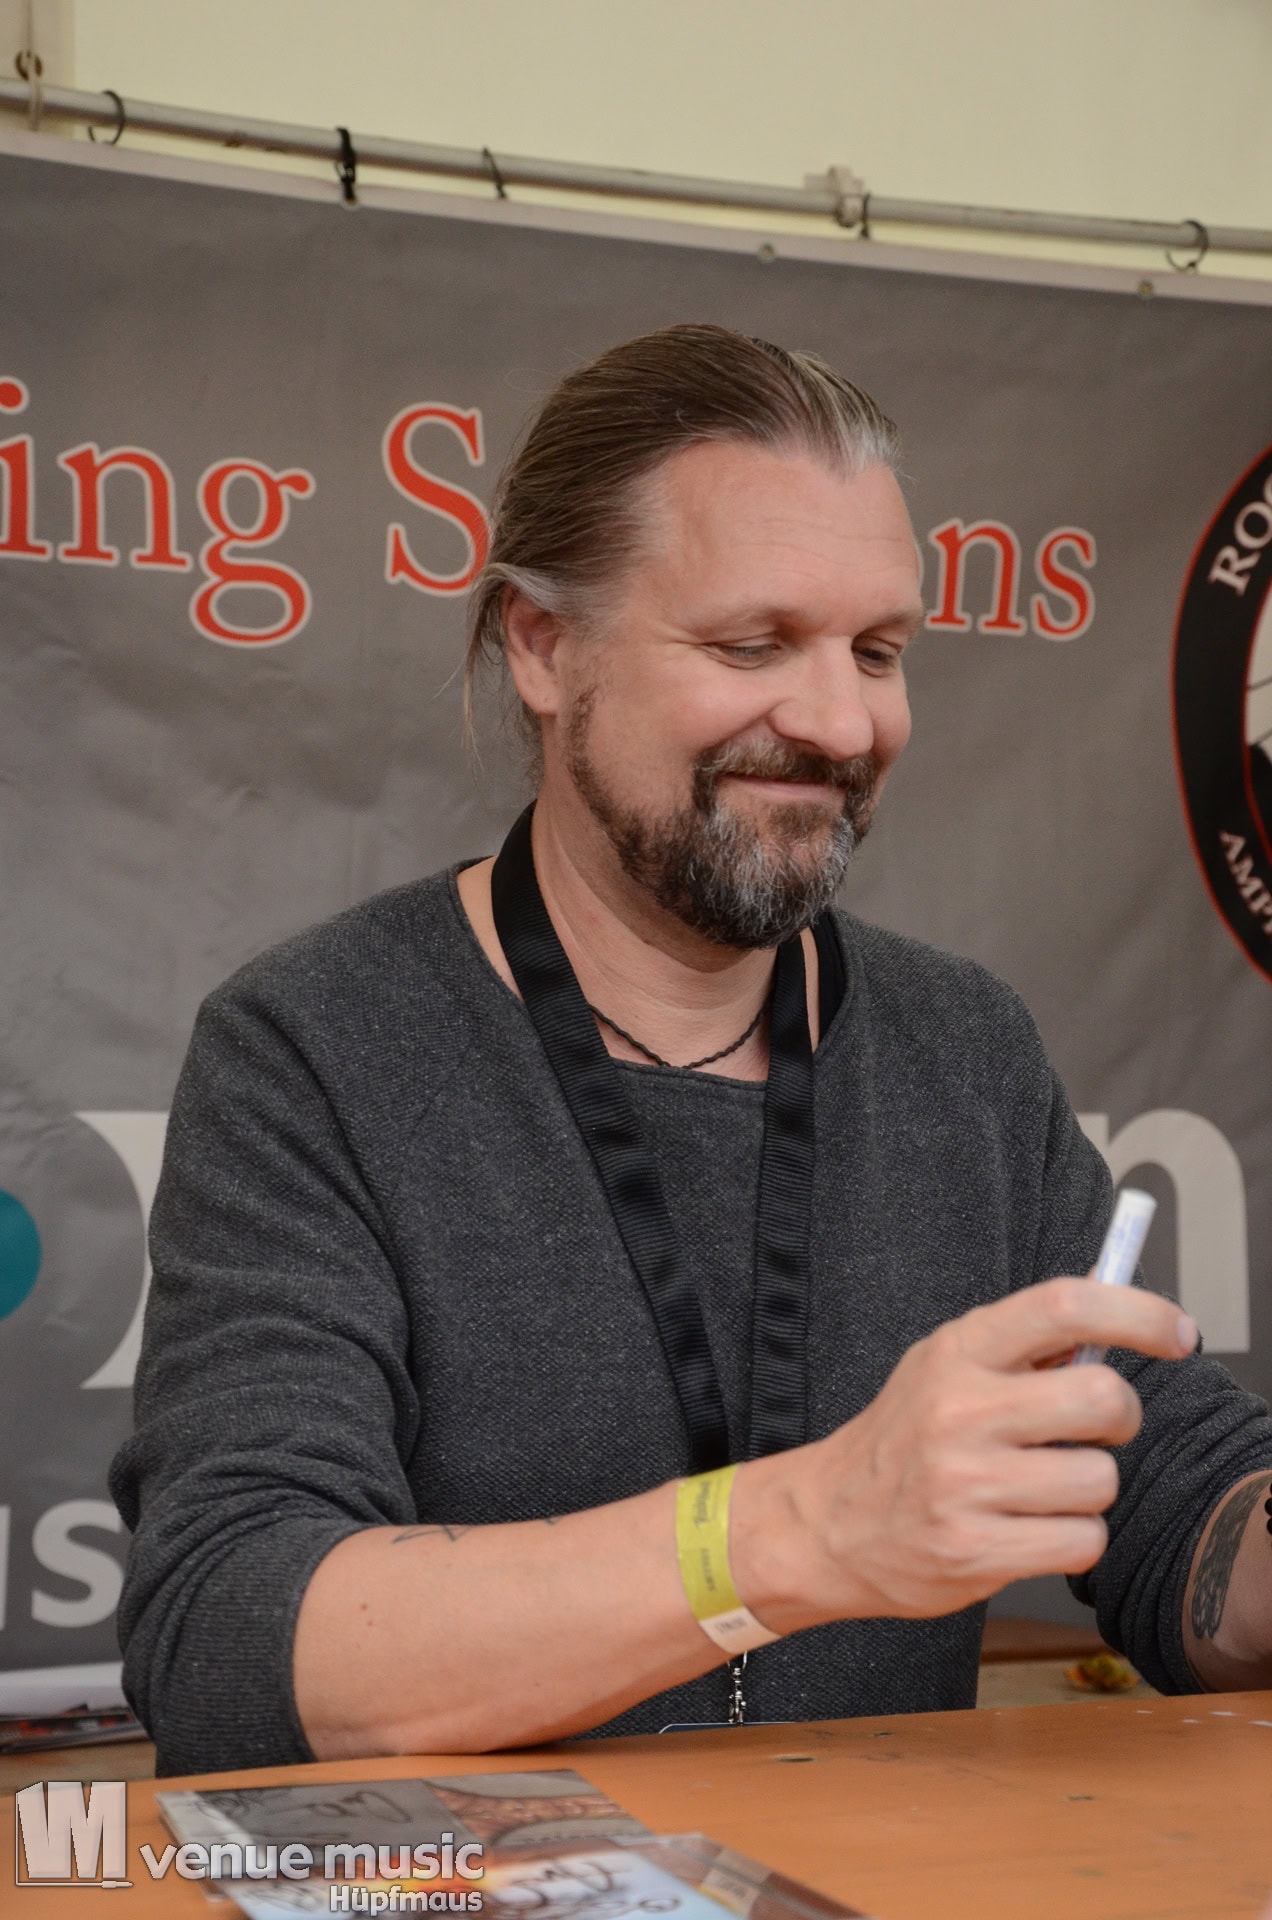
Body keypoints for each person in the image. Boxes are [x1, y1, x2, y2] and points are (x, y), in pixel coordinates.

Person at [110, 325, 1272, 1776]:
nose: (841, 722)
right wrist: (802, 1531)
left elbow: (1178, 1509)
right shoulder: (317, 1048)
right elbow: (231, 1635)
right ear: (544, 648)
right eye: (750, 645)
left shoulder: (965, 1051)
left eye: (879, 652)